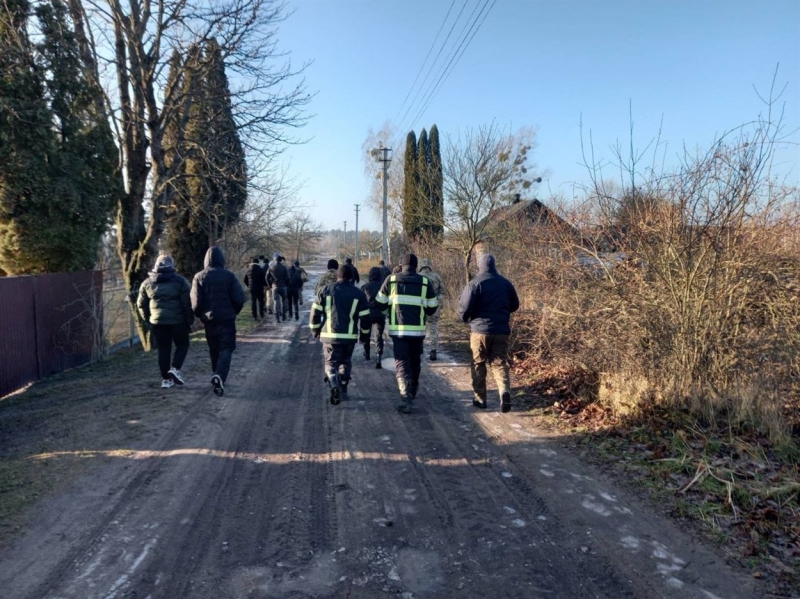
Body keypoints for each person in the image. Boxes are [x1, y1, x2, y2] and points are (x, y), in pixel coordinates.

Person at [375, 253, 438, 413]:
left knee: (402, 361)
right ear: (416, 266)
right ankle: (413, 388)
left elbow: (380, 302)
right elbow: (432, 306)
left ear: (401, 265)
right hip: (418, 331)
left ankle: (405, 397)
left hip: (399, 331)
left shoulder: (391, 279)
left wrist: (389, 313)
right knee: (415, 360)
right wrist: (423, 314)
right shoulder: (425, 282)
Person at [458, 254, 520, 413]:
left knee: (478, 364)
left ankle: (480, 399)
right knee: (499, 363)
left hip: (480, 330)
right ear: (494, 265)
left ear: (480, 266)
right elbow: (515, 305)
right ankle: (504, 391)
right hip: (501, 331)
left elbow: (464, 307)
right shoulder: (506, 283)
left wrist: (466, 318)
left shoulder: (475, 283)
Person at [310, 265, 370, 405]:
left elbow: (315, 313)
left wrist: (315, 330)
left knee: (331, 362)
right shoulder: (358, 294)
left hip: (329, 336)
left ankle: (333, 381)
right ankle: (342, 389)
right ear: (351, 277)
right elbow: (366, 318)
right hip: (349, 337)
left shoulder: (325, 290)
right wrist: (365, 335)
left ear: (338, 275)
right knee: (346, 362)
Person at [191, 246, 245, 397]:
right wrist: (234, 311)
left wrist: (200, 315)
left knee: (213, 349)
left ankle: (216, 374)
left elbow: (195, 302)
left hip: (209, 320)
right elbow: (239, 298)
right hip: (226, 319)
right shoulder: (229, 276)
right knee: (226, 348)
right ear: (222, 259)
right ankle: (219, 376)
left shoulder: (199, 277)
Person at [137, 255, 193, 389]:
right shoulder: (181, 282)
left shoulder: (147, 283)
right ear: (172, 266)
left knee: (163, 350)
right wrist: (189, 320)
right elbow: (188, 303)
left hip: (157, 322)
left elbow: (140, 304)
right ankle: (175, 368)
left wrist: (148, 319)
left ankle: (166, 380)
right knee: (183, 345)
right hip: (178, 321)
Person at [418, 258, 445, 361]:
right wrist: (437, 300)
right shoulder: (436, 276)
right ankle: (433, 351)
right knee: (433, 327)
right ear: (429, 265)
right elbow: (442, 291)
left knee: (420, 327)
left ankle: (420, 347)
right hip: (434, 306)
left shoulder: (418, 277)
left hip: (421, 306)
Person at [361, 266, 387, 369]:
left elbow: (361, 302)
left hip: (367, 314)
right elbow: (386, 301)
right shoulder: (383, 286)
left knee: (365, 333)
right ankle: (378, 357)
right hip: (380, 314)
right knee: (378, 336)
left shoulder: (364, 287)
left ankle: (367, 353)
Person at [267, 255, 289, 322]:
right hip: (283, 286)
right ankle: (284, 315)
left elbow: (266, 277)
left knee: (276, 302)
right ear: (280, 260)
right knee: (283, 301)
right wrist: (286, 284)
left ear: (275, 260)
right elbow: (288, 277)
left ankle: (277, 317)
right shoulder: (284, 268)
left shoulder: (271, 267)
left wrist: (270, 285)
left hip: (275, 286)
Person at [243, 256, 266, 320]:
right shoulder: (261, 269)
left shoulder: (248, 270)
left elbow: (244, 280)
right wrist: (264, 285)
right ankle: (261, 314)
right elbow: (263, 279)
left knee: (253, 301)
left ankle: (254, 316)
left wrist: (249, 285)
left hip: (252, 288)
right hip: (259, 287)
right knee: (261, 301)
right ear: (258, 262)